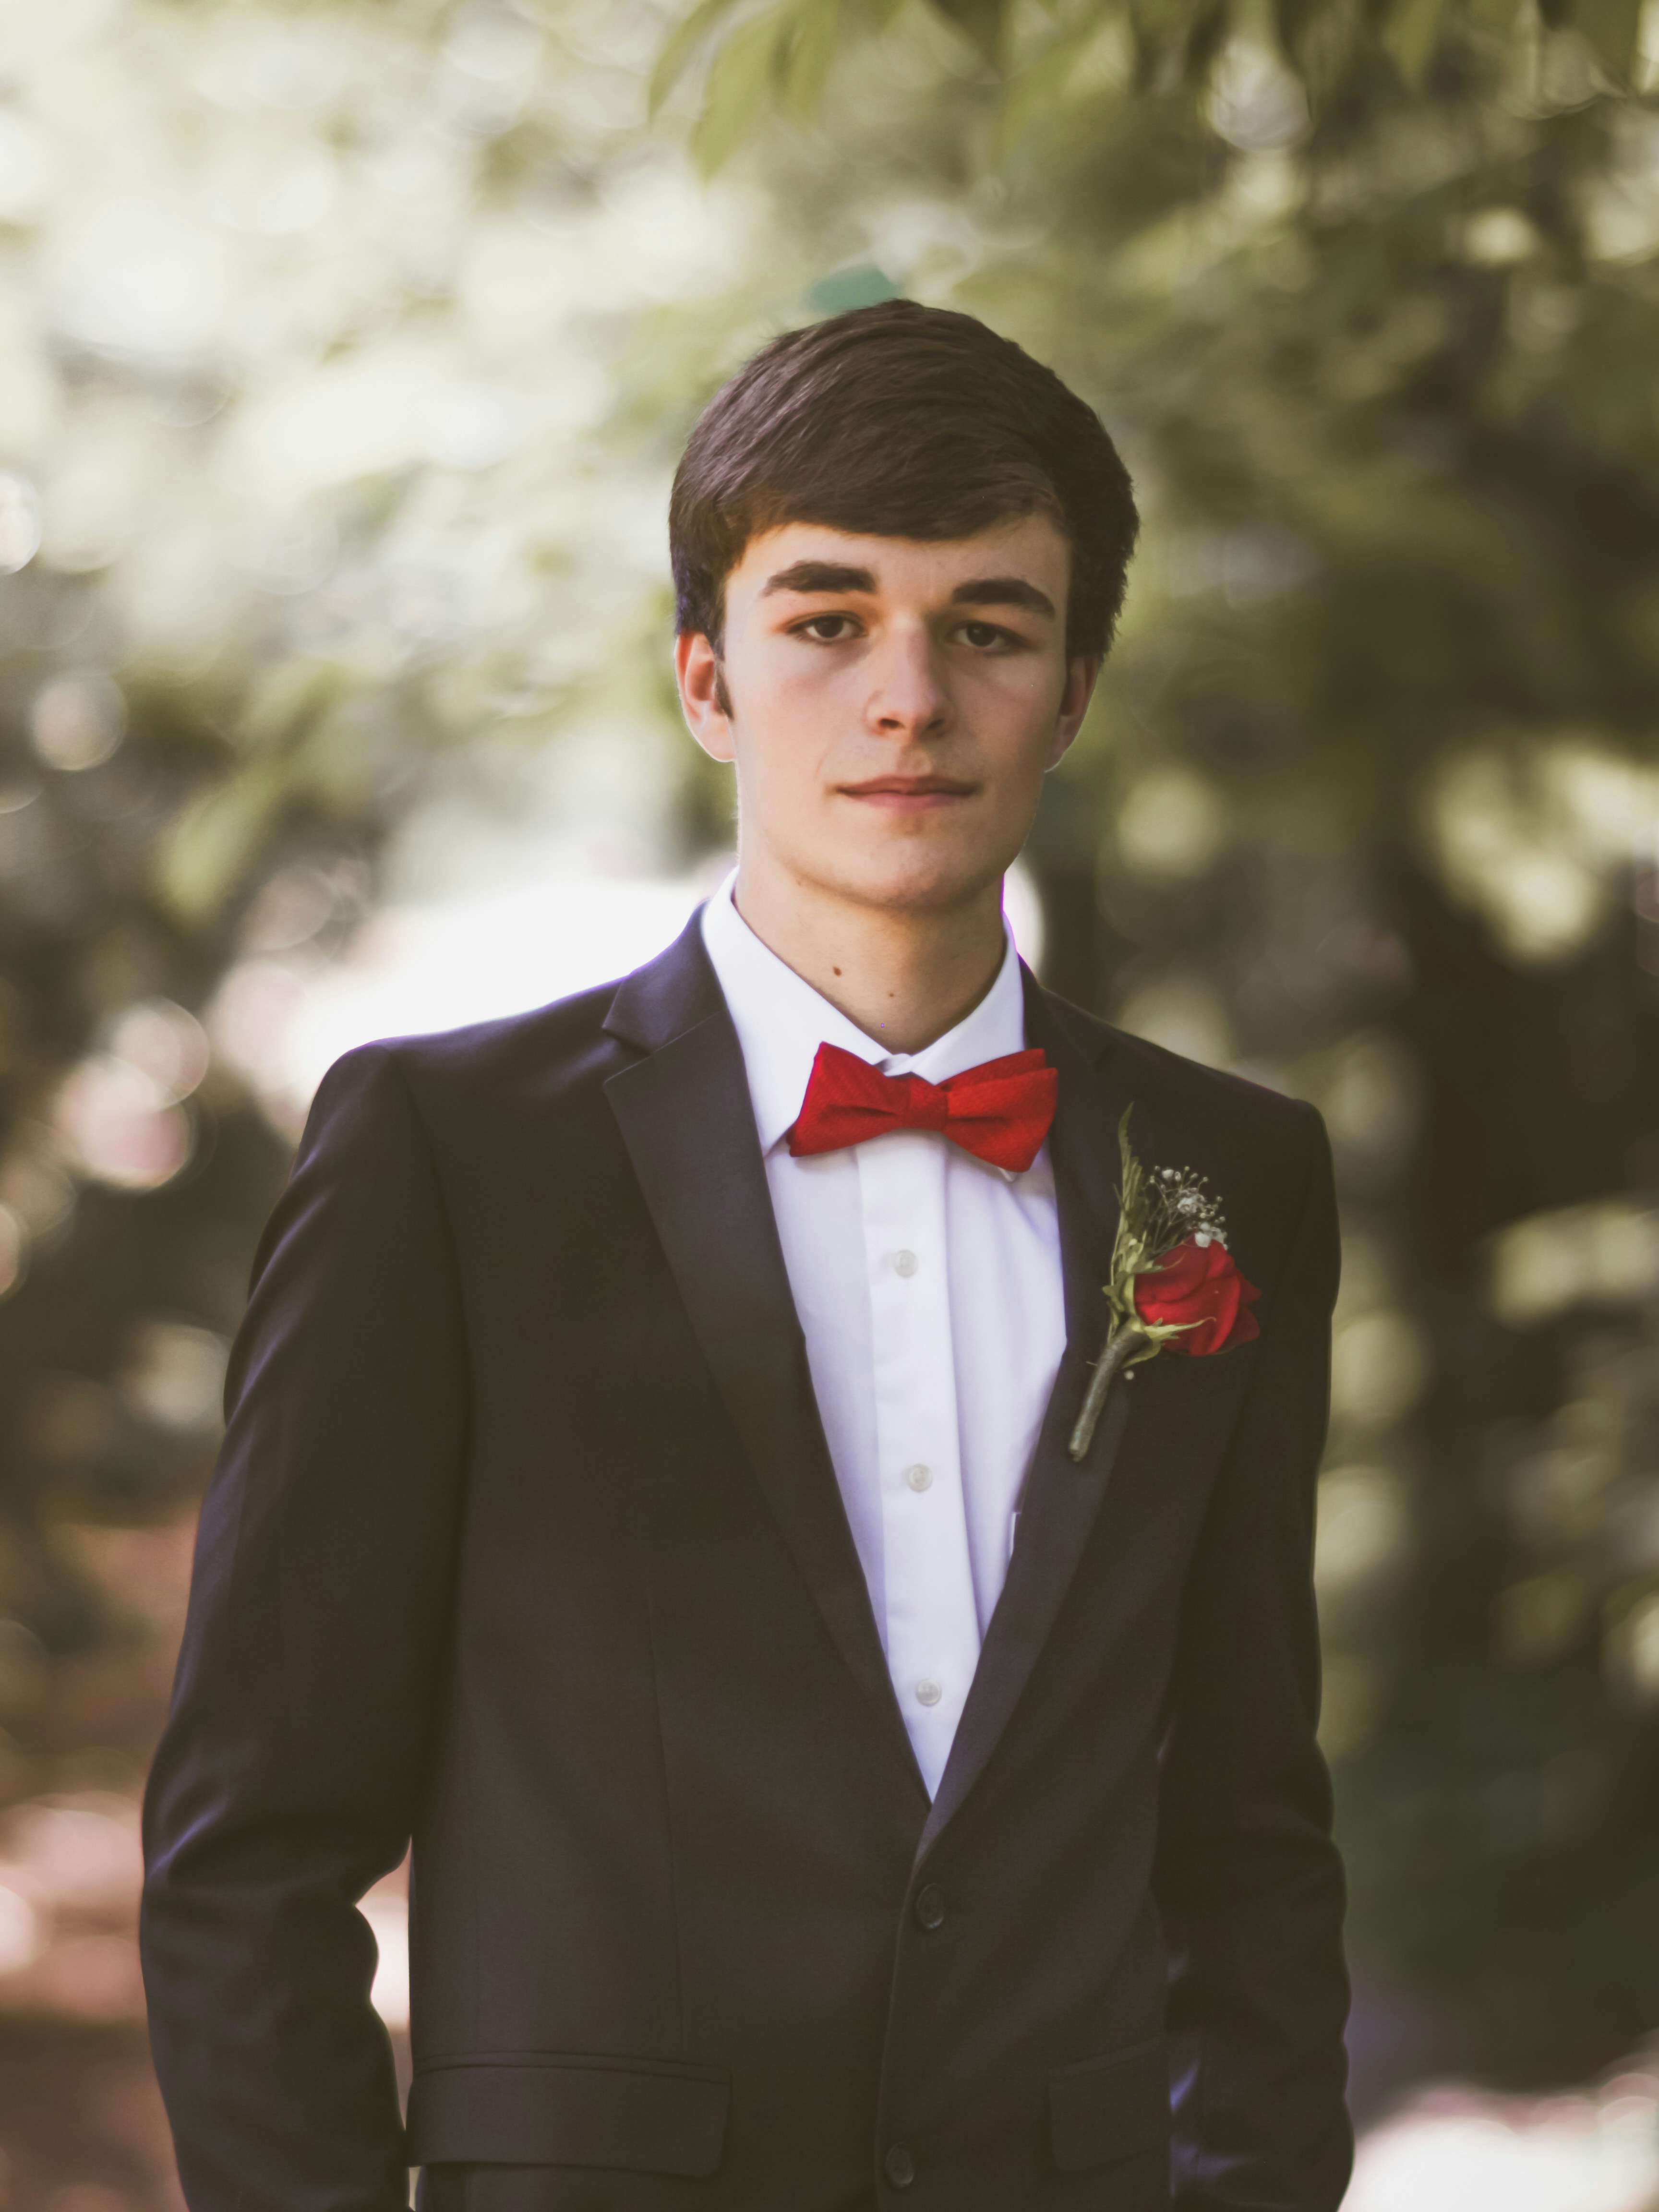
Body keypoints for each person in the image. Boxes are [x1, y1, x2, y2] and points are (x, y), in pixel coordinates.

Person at [141, 301, 1352, 2212]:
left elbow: (1249, 1828)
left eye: (987, 627)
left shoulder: (1231, 1178)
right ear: (706, 679)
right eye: (826, 619)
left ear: (1076, 684)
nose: (906, 699)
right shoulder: (445, 1159)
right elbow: (249, 1852)